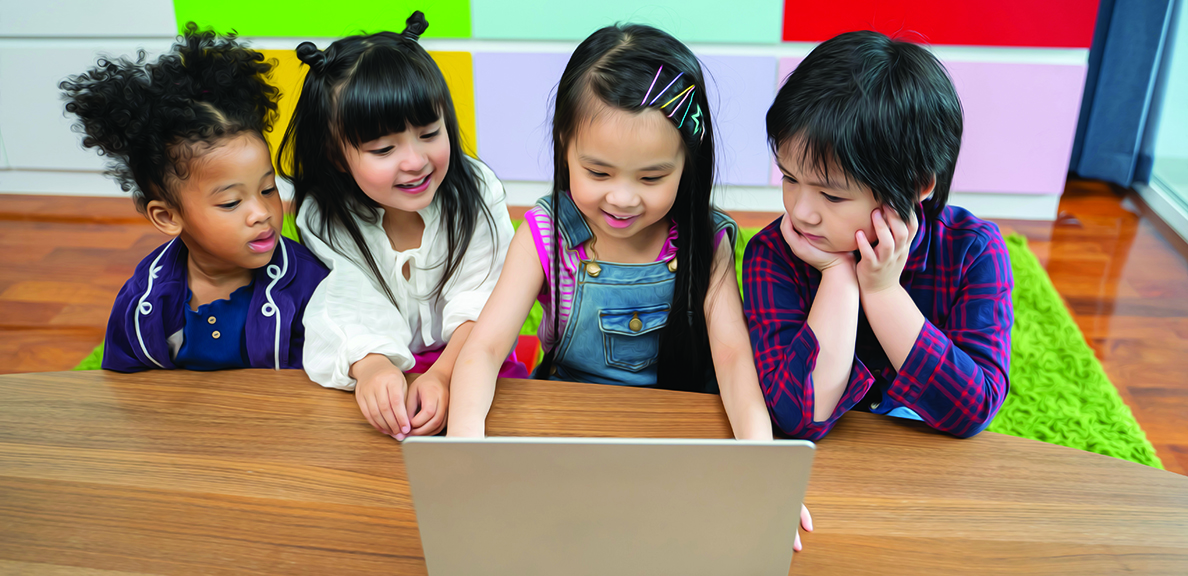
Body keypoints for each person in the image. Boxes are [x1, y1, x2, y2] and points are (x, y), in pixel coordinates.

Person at [743, 31, 1014, 441]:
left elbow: (973, 410)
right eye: (789, 178)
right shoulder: (774, 254)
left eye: (832, 195)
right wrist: (838, 274)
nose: (799, 211)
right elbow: (795, 416)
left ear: (917, 186)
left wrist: (884, 293)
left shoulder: (973, 251)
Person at [281, 11, 524, 441]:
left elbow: (485, 299)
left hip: (476, 360)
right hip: (383, 371)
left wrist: (446, 374)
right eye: (383, 148)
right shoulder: (324, 216)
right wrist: (372, 366)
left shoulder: (477, 191)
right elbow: (344, 305)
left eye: (430, 133)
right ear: (338, 156)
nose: (414, 161)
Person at [62, 24, 328, 373]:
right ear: (168, 217)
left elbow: (323, 382)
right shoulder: (145, 298)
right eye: (231, 203)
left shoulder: (310, 284)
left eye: (268, 189)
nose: (261, 213)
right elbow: (124, 390)